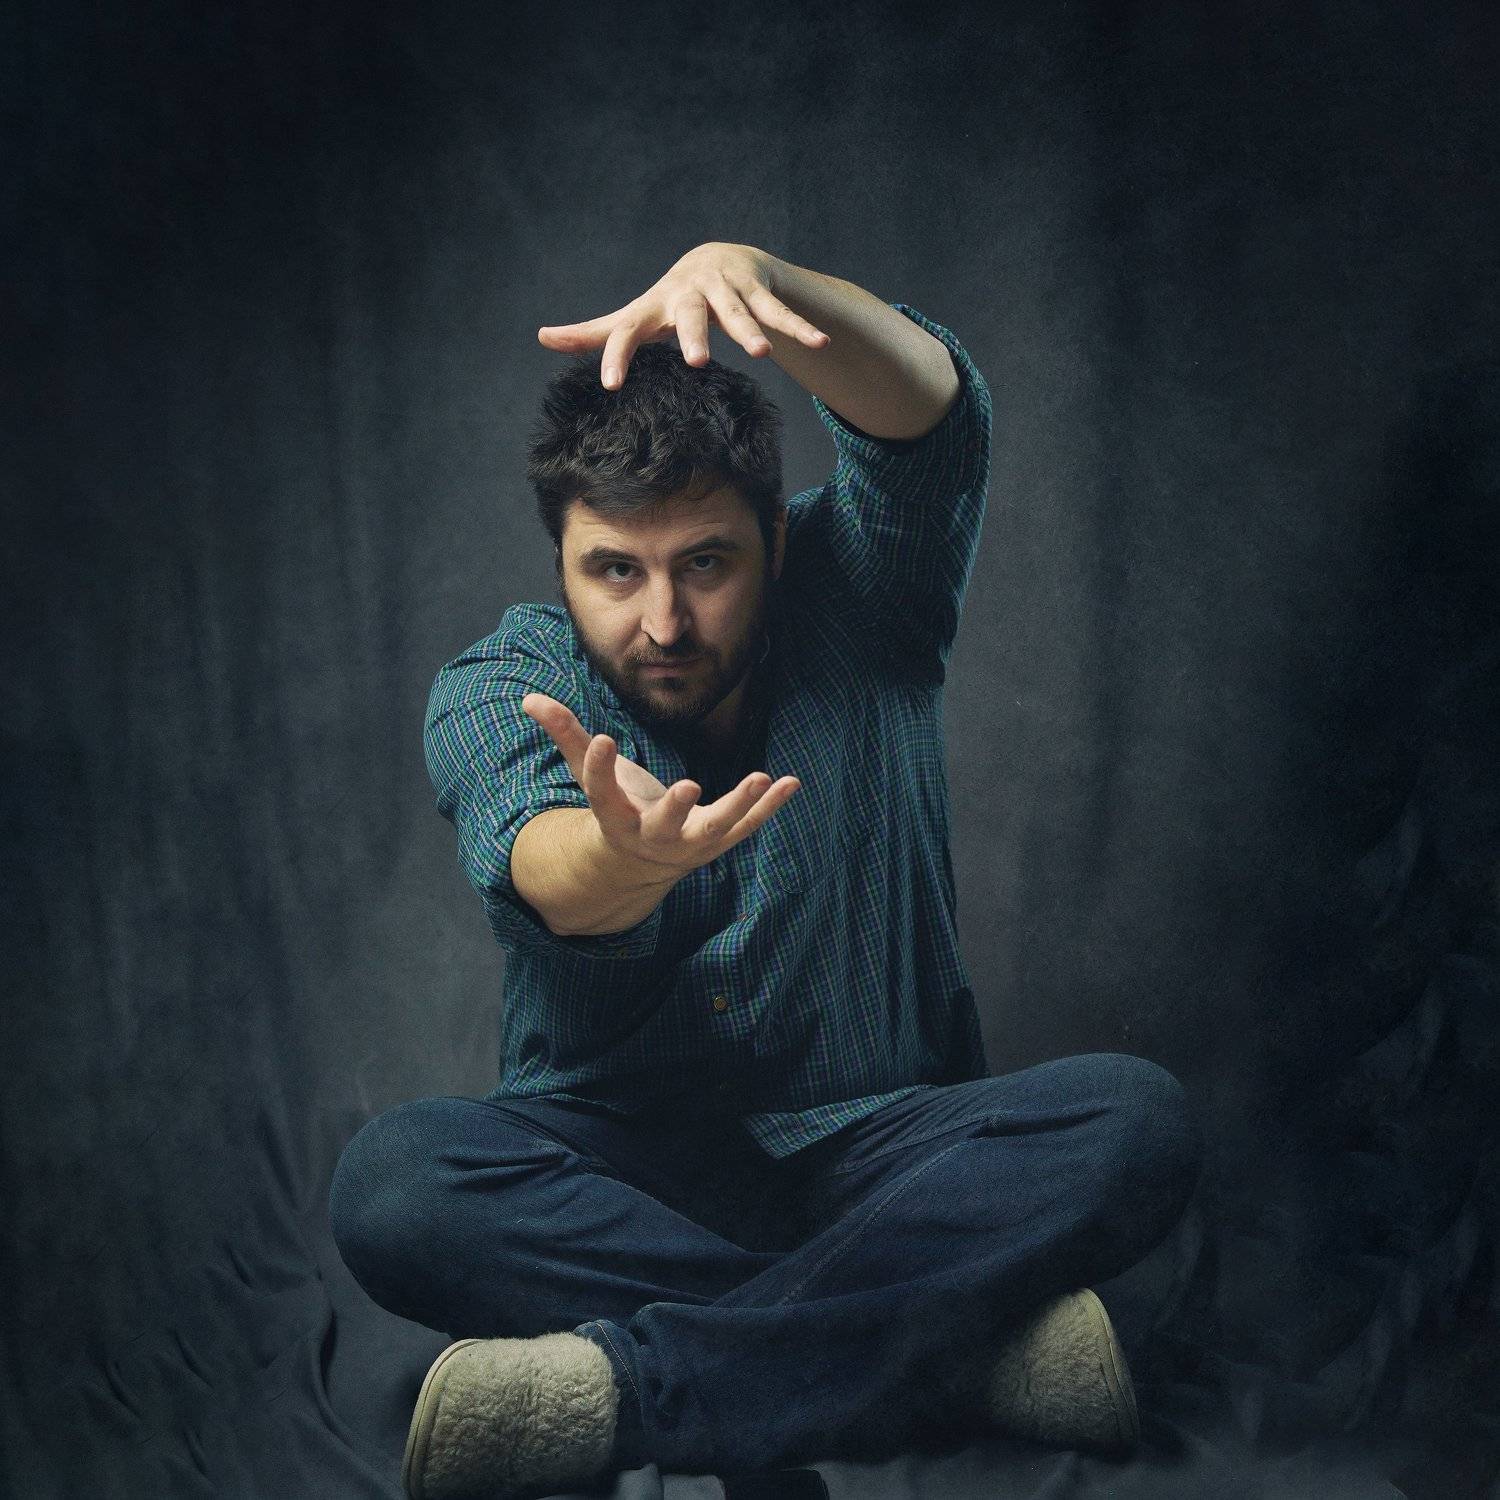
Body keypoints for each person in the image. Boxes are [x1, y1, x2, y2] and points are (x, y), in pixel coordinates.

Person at [328, 242, 1203, 1500]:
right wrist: (621, 859)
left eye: (705, 563)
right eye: (615, 572)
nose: (663, 622)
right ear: (561, 563)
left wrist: (766, 282)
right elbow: (536, 857)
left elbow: (934, 418)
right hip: (617, 1168)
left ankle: (642, 1389)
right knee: (397, 1186)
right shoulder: (501, 681)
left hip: (881, 1157)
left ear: (774, 544)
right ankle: (956, 1353)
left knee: (1134, 1120)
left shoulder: (870, 592)